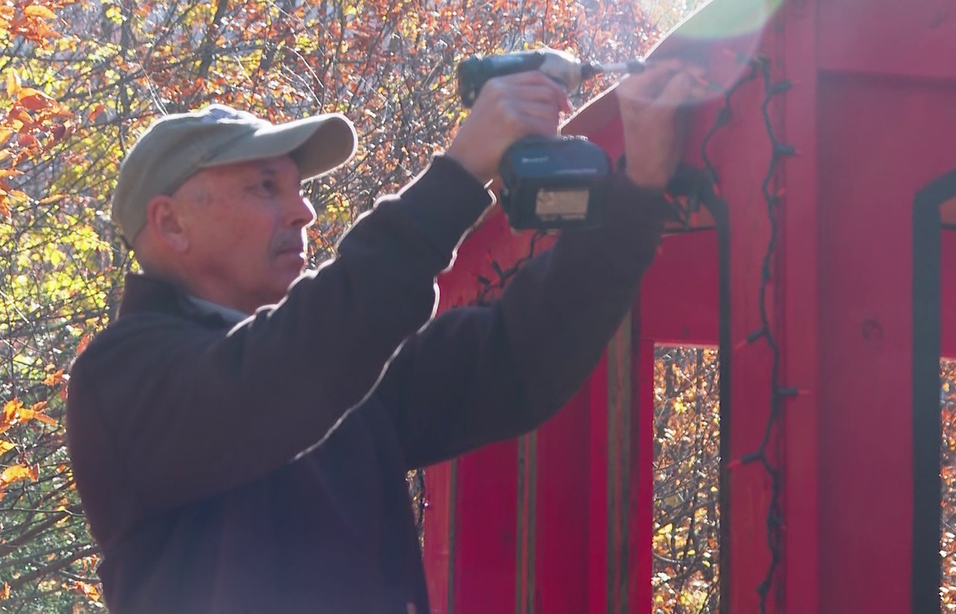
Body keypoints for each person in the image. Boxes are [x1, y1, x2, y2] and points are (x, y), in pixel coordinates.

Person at [65, 58, 707, 614]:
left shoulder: (329, 365)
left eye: (297, 188)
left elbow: (513, 359)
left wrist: (639, 190)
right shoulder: (123, 377)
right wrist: (458, 174)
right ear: (170, 224)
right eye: (265, 186)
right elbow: (282, 376)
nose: (303, 210)